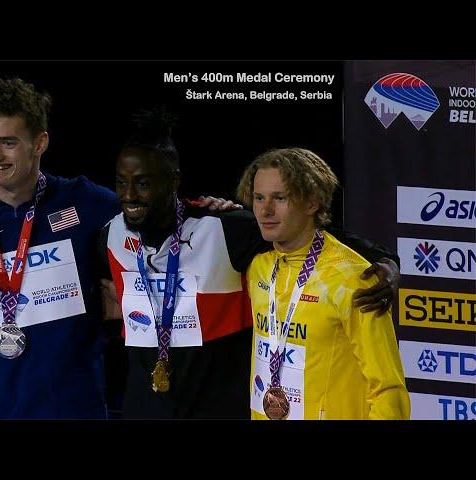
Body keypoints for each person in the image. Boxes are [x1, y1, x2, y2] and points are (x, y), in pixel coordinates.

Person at [98, 110, 401, 419]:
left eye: (144, 184)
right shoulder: (110, 234)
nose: (130, 195)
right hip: (144, 407)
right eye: (122, 183)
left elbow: (312, 234)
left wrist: (385, 262)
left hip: (217, 407)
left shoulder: (222, 229)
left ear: (173, 180)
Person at [0, 78, 120, 419]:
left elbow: (155, 219)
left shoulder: (88, 205)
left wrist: (213, 209)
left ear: (40, 142)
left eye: (8, 142)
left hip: (76, 408)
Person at [237, 148, 410, 419]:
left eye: (280, 198)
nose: (265, 210)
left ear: (312, 202)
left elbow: (388, 389)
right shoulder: (259, 267)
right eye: (259, 198)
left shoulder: (353, 279)